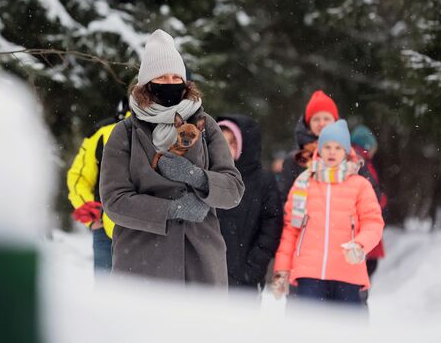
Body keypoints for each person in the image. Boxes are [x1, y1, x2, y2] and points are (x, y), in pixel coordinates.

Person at [99, 29, 245, 286]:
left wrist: (197, 177)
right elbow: (114, 200)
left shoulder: (205, 125)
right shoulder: (125, 132)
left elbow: (233, 188)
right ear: (147, 84)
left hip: (200, 259)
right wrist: (171, 209)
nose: (170, 82)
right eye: (162, 77)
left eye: (177, 76)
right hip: (140, 260)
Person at [272, 120, 384, 306]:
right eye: (328, 147)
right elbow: (291, 230)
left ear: (347, 152)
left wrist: (360, 245)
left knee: (346, 332)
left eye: (338, 147)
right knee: (309, 331)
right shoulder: (304, 183)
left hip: (348, 273)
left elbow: (373, 223)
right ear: (320, 150)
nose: (332, 152)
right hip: (308, 274)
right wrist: (282, 269)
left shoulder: (360, 185)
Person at [216, 115, 283, 294]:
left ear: (244, 146)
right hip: (205, 276)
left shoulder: (263, 181)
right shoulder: (205, 175)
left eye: (232, 142)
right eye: (220, 141)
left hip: (243, 279)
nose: (224, 148)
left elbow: (271, 229)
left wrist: (253, 267)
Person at [67, 99, 130, 274]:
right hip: (107, 232)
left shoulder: (176, 129)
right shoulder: (104, 131)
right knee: (107, 295)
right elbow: (78, 178)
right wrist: (92, 216)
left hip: (155, 235)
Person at [280, 90, 339, 202]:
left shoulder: (351, 156)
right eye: (316, 119)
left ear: (335, 121)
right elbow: (284, 199)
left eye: (326, 118)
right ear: (308, 124)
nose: (321, 123)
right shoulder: (294, 160)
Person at [351, 125, 387, 278]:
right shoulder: (361, 162)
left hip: (359, 225)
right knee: (364, 270)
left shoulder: (353, 158)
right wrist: (382, 200)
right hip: (363, 225)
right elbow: (371, 194)